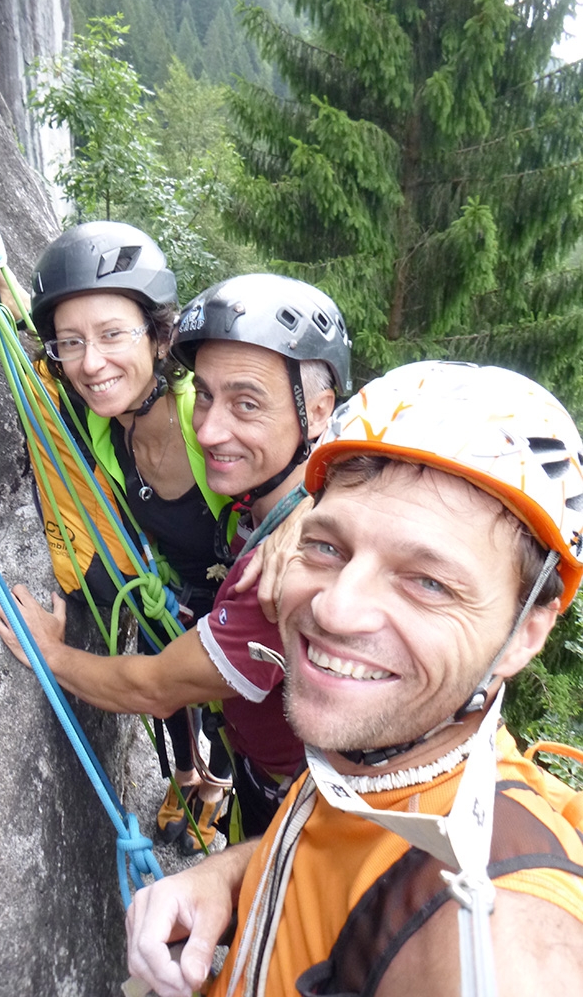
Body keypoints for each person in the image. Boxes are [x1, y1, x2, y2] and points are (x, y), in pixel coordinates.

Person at [124, 361, 583, 997]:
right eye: (327, 548)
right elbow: (342, 846)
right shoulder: (388, 759)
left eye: (428, 582)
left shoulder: (494, 927)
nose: (334, 609)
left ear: (525, 634)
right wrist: (229, 879)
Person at [0, 272, 352, 842]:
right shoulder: (252, 507)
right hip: (231, 690)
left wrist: (48, 655)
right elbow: (65, 380)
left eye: (247, 403)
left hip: (300, 801)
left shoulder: (285, 575)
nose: (211, 428)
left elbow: (153, 687)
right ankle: (200, 781)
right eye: (207, 395)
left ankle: (212, 785)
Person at [0, 220, 239, 854]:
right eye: (73, 343)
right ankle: (184, 775)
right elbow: (36, 361)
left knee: (233, 709)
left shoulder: (204, 420)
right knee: (172, 695)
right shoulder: (103, 420)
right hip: (166, 595)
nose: (91, 362)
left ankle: (219, 786)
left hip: (237, 610)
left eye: (113, 334)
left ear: (157, 335)